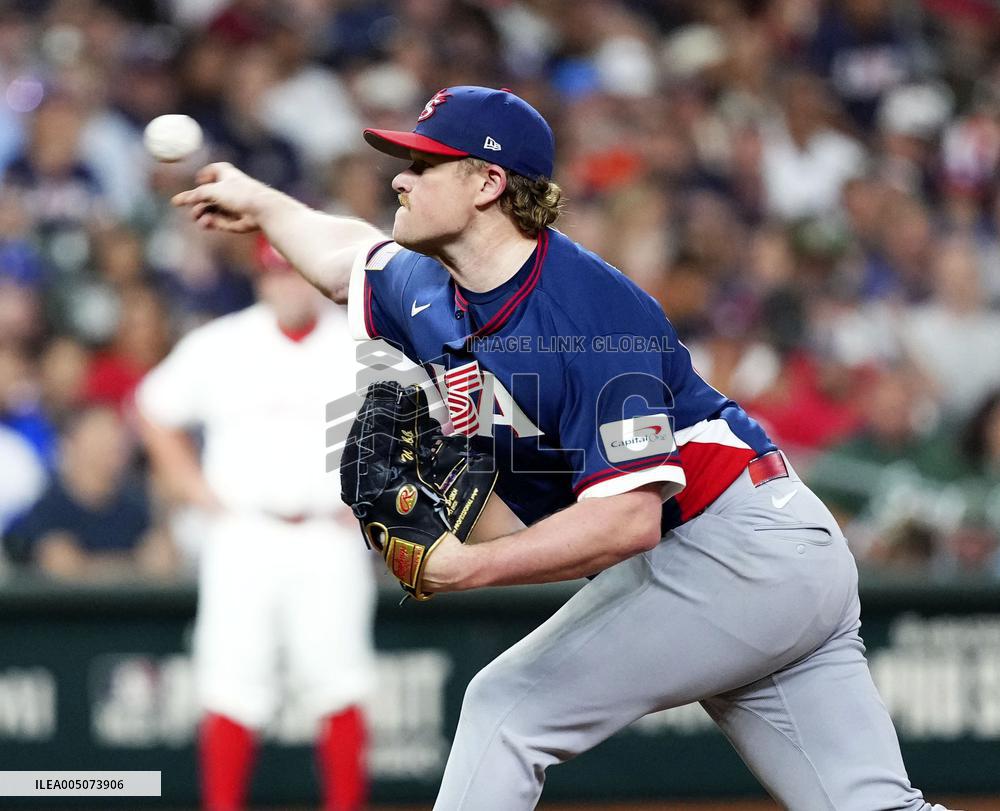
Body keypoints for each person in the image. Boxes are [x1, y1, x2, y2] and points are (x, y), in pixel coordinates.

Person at [173, 86, 950, 810]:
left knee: (506, 706)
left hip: (735, 543)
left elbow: (627, 523)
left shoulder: (593, 313)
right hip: (764, 555)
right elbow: (347, 260)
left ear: (486, 183)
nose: (401, 182)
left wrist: (464, 565)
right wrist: (264, 202)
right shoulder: (430, 284)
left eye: (423, 163)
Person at [135, 238, 375, 811]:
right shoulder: (222, 344)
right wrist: (194, 490)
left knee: (340, 682)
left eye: (295, 275)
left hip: (328, 534)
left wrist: (378, 497)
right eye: (275, 275)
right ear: (260, 280)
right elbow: (152, 407)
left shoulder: (359, 344)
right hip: (245, 534)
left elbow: (428, 415)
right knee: (230, 685)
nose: (286, 285)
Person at [4, 403, 174, 581]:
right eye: (99, 435)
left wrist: (88, 566)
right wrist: (134, 564)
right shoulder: (46, 511)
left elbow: (161, 559)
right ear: (70, 443)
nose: (112, 443)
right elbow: (59, 564)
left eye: (115, 434)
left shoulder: (138, 507)